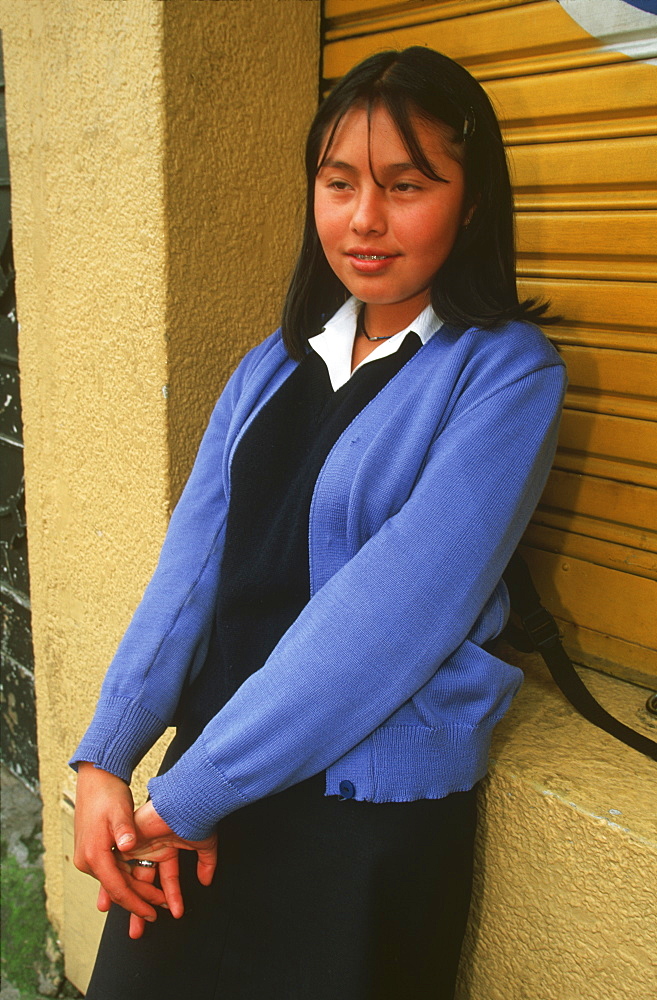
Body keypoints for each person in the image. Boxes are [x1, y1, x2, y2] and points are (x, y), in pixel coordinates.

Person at [72, 46, 566, 999]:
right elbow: (189, 572)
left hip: (355, 823)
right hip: (204, 798)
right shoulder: (269, 366)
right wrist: (106, 757)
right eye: (338, 183)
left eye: (405, 184)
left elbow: (386, 622)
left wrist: (181, 799)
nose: (364, 218)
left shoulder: (505, 375)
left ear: (471, 203)